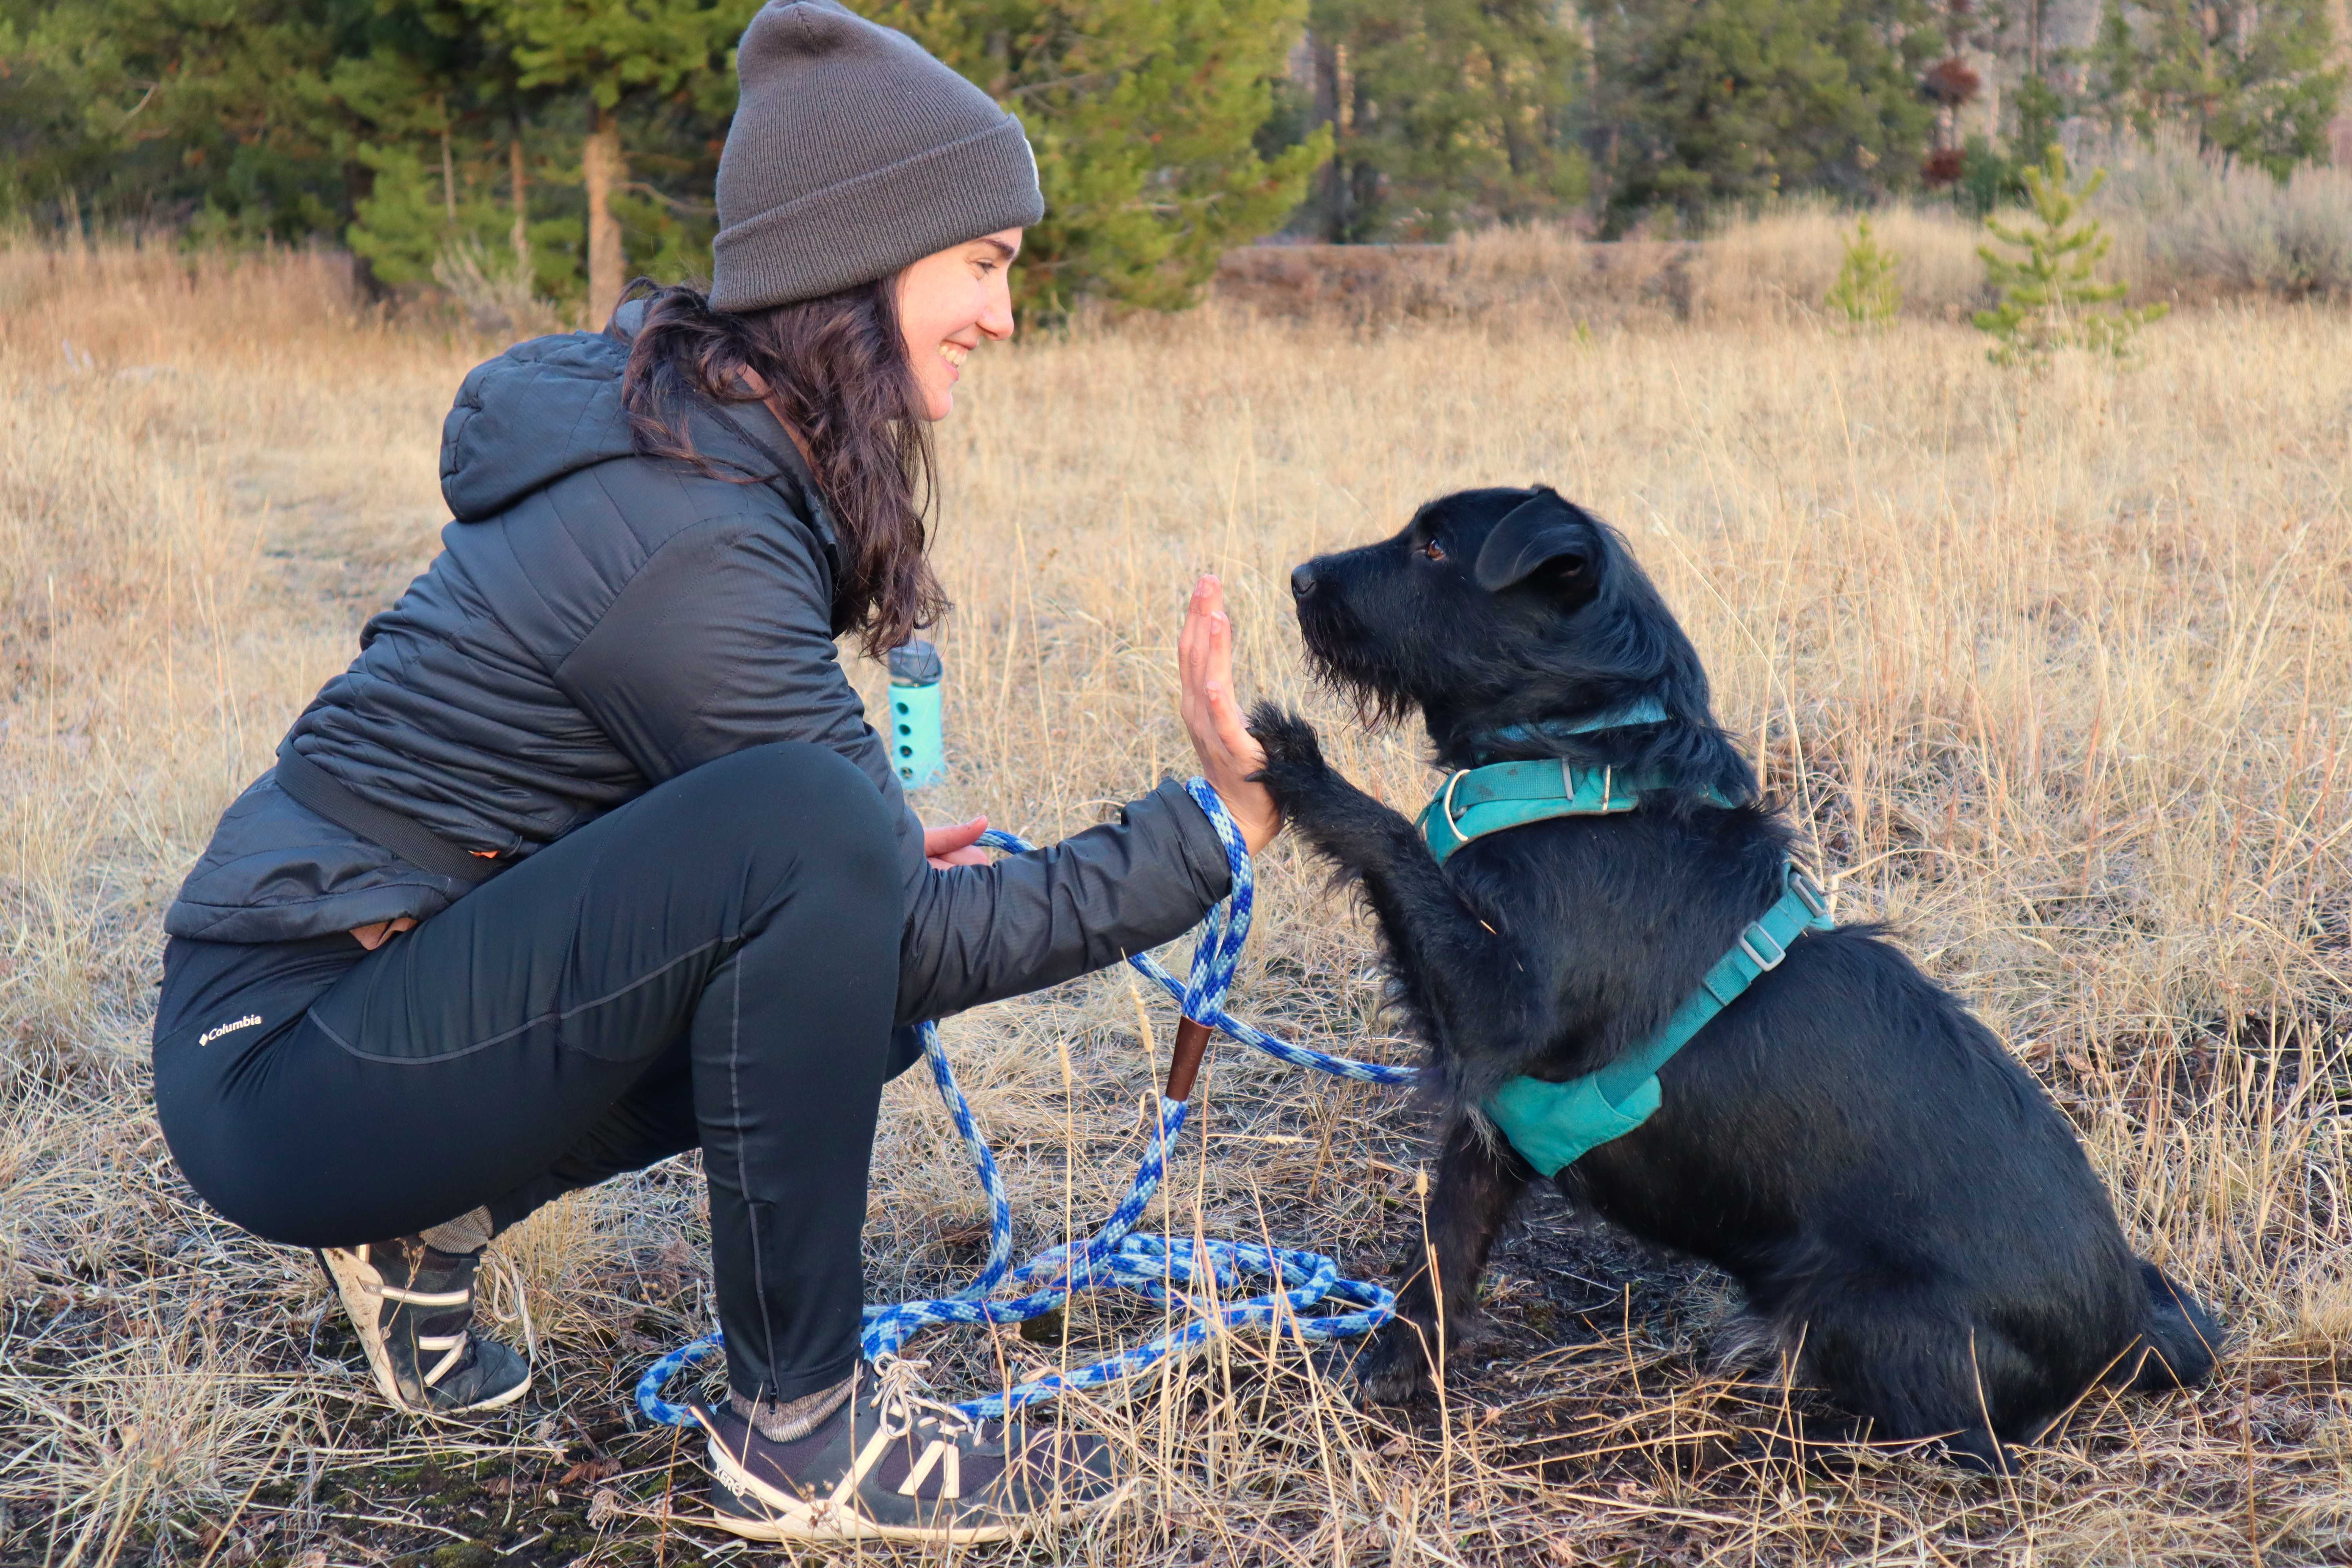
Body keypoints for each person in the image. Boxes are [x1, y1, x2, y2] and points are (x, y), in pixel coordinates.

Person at [147, 0, 1280, 1544]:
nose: (1005, 315)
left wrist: (871, 877)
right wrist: (1214, 823)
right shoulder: (688, 527)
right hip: (283, 1066)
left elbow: (819, 903)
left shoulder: (709, 459)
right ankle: (799, 1431)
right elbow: (848, 886)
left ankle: (423, 1227)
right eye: (986, 262)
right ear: (862, 262)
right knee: (833, 865)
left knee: (845, 963)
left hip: (358, 1026)